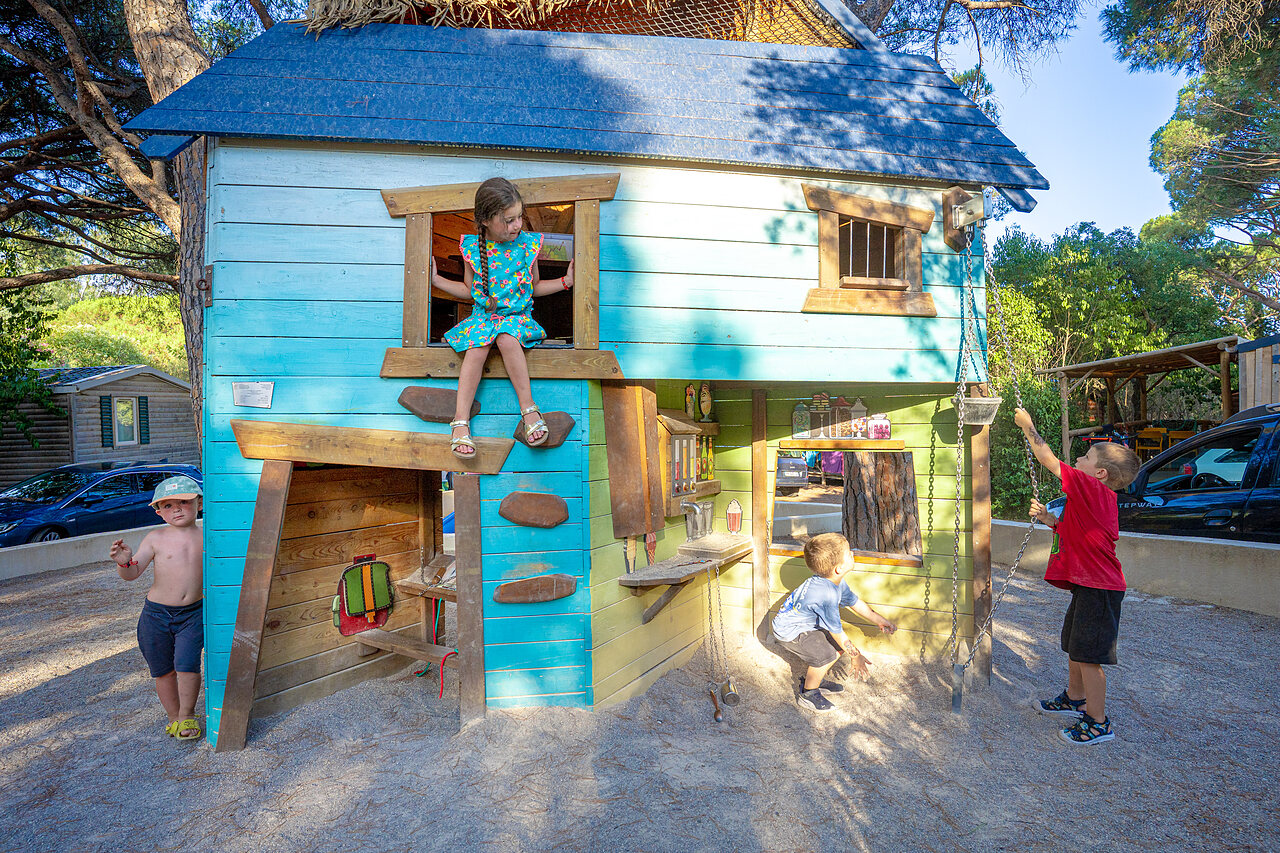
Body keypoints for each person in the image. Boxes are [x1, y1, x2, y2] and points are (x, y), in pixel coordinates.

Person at [1014, 407, 1140, 746]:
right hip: (1089, 586)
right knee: (1074, 645)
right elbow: (1080, 532)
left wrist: (1028, 426)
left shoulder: (1094, 490)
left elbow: (1049, 459)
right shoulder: (1092, 500)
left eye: (1084, 457)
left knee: (1089, 655)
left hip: (1101, 589)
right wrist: (1050, 521)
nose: (1078, 461)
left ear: (1098, 473)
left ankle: (1098, 722)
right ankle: (1075, 698)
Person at [431, 177, 574, 458]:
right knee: (477, 347)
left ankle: (529, 411)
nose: (517, 225)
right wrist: (436, 280)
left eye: (519, 217)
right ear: (485, 220)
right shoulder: (473, 248)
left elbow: (533, 288)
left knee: (508, 339)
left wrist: (565, 282)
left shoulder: (528, 246)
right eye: (509, 220)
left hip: (517, 319)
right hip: (484, 319)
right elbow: (468, 291)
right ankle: (460, 423)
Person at [109, 475, 205, 740]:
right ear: (159, 512)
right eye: (168, 505)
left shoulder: (208, 536)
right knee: (163, 670)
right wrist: (124, 562)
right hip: (155, 615)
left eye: (184, 502)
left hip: (192, 614)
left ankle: (187, 715)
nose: (176, 509)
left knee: (187, 665)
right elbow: (132, 573)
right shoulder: (155, 538)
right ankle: (173, 717)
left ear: (198, 503)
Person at [771, 532, 896, 711]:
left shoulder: (834, 581)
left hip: (801, 626)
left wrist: (879, 620)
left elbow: (854, 602)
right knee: (825, 655)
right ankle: (808, 693)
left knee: (837, 648)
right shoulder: (826, 594)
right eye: (849, 553)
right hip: (789, 632)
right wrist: (856, 656)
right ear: (838, 568)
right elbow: (837, 633)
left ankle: (815, 680)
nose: (852, 553)